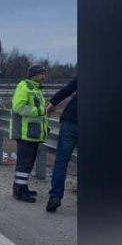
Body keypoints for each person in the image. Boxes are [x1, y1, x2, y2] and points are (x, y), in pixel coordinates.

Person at [11, 65, 49, 202]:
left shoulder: (36, 89)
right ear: (33, 75)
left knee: (28, 163)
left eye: (44, 74)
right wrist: (40, 111)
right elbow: (19, 107)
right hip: (24, 133)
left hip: (32, 134)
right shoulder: (24, 87)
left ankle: (22, 187)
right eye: (41, 74)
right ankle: (19, 192)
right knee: (24, 163)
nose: (44, 77)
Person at [45, 77, 77, 212]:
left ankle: (55, 197)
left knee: (61, 161)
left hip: (72, 119)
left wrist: (52, 103)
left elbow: (68, 88)